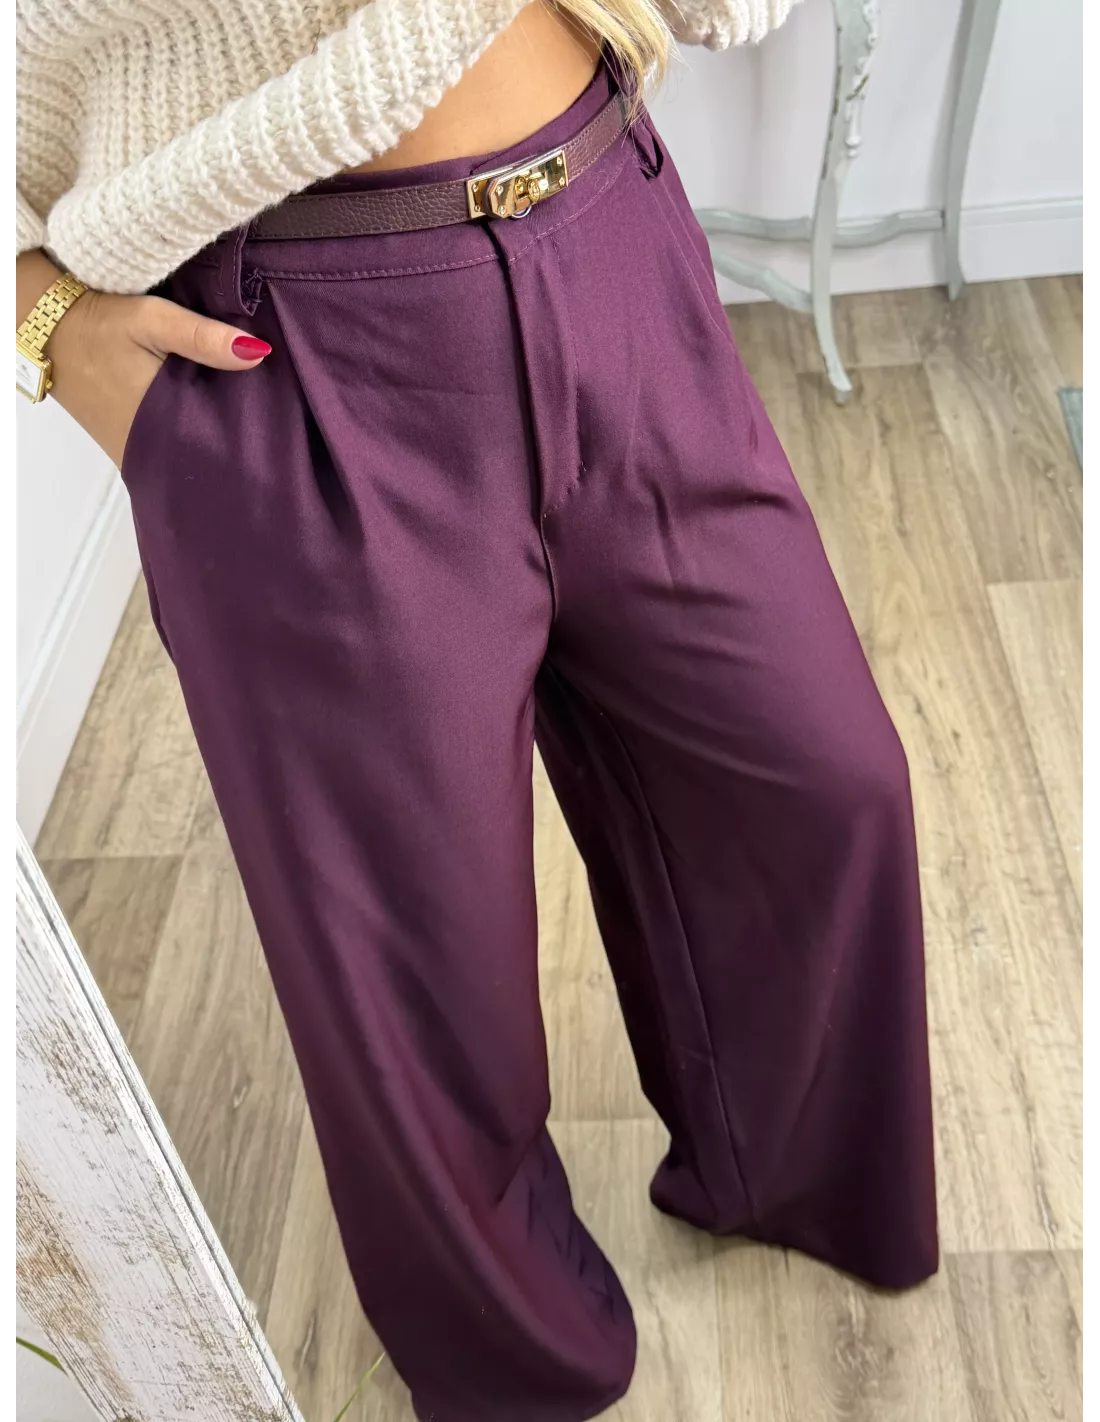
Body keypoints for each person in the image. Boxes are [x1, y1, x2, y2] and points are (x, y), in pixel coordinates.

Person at [16, 2, 939, 1418]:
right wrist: (41, 315)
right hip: (296, 341)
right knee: (420, 968)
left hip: (608, 231)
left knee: (830, 783)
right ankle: (520, 1370)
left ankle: (794, 1169)